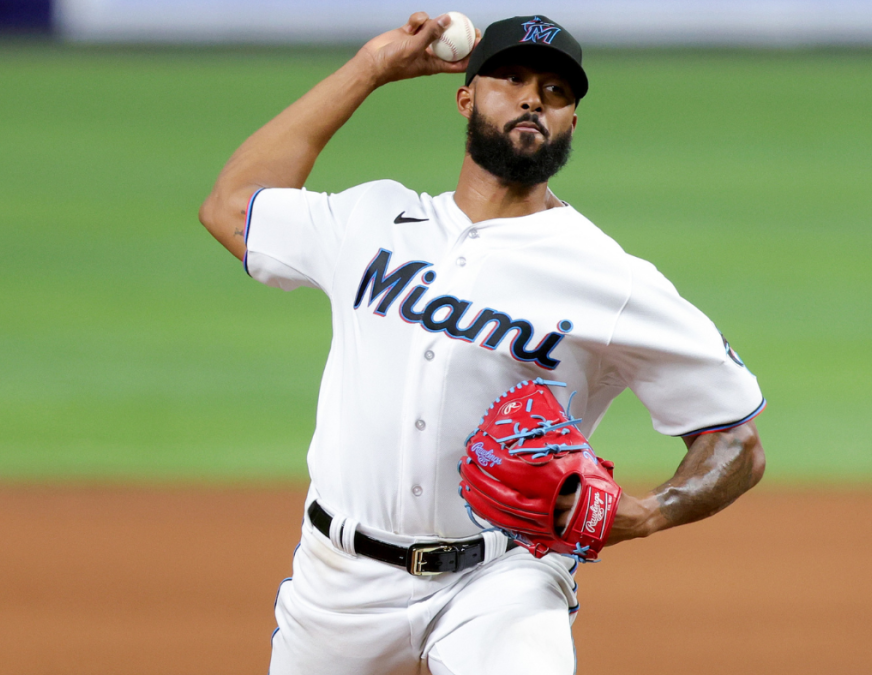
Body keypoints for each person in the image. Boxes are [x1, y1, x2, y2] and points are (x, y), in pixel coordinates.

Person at [199, 12, 766, 675]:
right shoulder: (371, 220)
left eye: (557, 91)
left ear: (572, 122)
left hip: (503, 580)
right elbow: (232, 205)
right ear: (466, 95)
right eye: (512, 78)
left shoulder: (608, 277)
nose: (533, 98)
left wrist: (644, 514)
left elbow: (737, 440)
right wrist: (371, 69)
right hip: (338, 583)